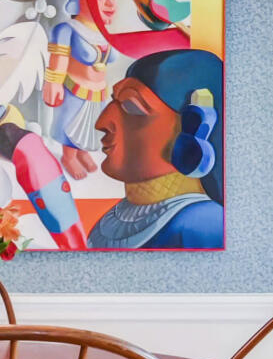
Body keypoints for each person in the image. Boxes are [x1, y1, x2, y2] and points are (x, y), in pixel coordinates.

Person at [84, 49, 225, 250]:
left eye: (131, 108)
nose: (102, 123)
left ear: (193, 126)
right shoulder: (114, 219)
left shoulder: (201, 224)